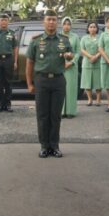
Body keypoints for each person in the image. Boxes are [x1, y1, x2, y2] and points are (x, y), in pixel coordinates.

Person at [26, 9, 74, 158]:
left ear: (57, 22)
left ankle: (55, 146)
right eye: (49, 19)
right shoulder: (36, 41)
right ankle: (44, 146)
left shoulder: (64, 40)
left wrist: (69, 55)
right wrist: (29, 84)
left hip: (59, 81)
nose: (51, 22)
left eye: (54, 19)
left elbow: (71, 55)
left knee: (55, 115)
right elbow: (29, 63)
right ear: (44, 22)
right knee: (42, 115)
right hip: (42, 80)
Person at [0, 14, 19, 112]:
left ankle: (8, 104)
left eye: (5, 20)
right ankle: (0, 104)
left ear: (8, 22)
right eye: (2, 20)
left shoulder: (12, 33)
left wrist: (15, 61)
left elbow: (15, 48)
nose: (4, 22)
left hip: (9, 59)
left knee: (8, 83)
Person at [61, 17, 80, 117]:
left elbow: (78, 52)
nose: (67, 26)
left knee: (71, 89)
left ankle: (70, 111)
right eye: (65, 24)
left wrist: (71, 62)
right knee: (61, 89)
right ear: (62, 25)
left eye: (69, 24)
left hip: (71, 67)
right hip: (60, 67)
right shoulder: (58, 36)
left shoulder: (75, 37)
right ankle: (62, 111)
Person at [80, 21, 102, 106]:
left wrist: (96, 56)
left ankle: (98, 99)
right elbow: (82, 49)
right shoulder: (84, 38)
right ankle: (89, 99)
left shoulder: (100, 37)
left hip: (98, 62)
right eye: (91, 27)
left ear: (97, 29)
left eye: (94, 27)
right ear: (88, 28)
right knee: (87, 82)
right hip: (87, 62)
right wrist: (90, 57)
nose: (92, 28)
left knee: (98, 82)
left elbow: (102, 48)